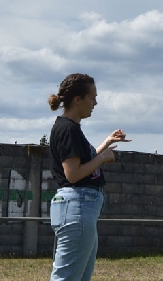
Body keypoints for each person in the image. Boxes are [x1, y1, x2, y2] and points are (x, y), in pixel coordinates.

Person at [48, 73, 130, 281]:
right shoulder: (67, 129)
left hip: (79, 207)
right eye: (92, 97)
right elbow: (73, 174)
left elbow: (83, 163)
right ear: (77, 99)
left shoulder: (70, 128)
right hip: (77, 205)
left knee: (79, 276)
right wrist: (102, 157)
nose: (95, 102)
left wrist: (106, 144)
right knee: (67, 277)